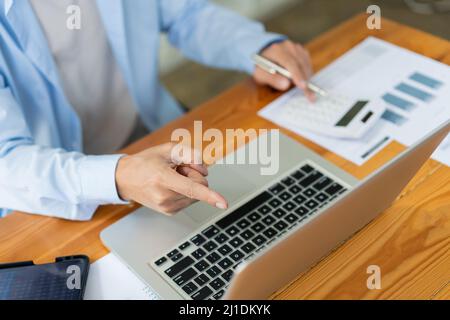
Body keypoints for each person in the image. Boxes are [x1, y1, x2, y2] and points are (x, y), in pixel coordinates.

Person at [0, 0, 314, 220]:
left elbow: (185, 14)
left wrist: (256, 48)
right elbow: (7, 161)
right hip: (51, 193)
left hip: (150, 135)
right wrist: (118, 176)